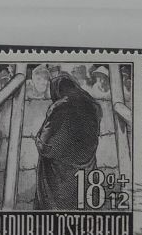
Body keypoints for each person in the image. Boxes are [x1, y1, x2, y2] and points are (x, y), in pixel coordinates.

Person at [33, 70, 102, 211]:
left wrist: (39, 141)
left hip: (59, 173)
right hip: (86, 169)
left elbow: (44, 143)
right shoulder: (93, 106)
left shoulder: (59, 106)